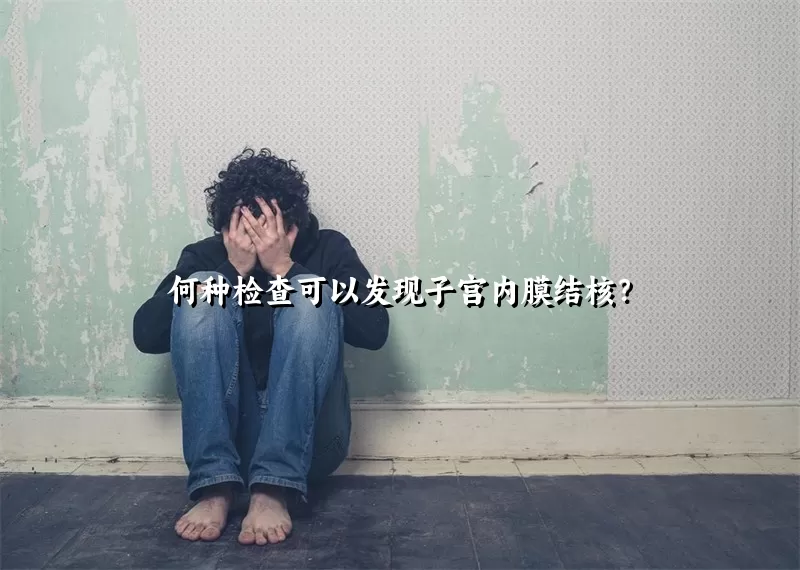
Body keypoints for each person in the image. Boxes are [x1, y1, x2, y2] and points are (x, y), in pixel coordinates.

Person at [132, 148, 390, 545]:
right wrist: (230, 271)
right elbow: (146, 334)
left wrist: (286, 268)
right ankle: (214, 487)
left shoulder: (328, 248)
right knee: (202, 289)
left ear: (292, 225)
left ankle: (274, 488)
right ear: (226, 227)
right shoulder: (206, 255)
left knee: (309, 293)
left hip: (313, 442)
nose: (256, 239)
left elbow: (375, 330)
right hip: (232, 443)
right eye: (244, 227)